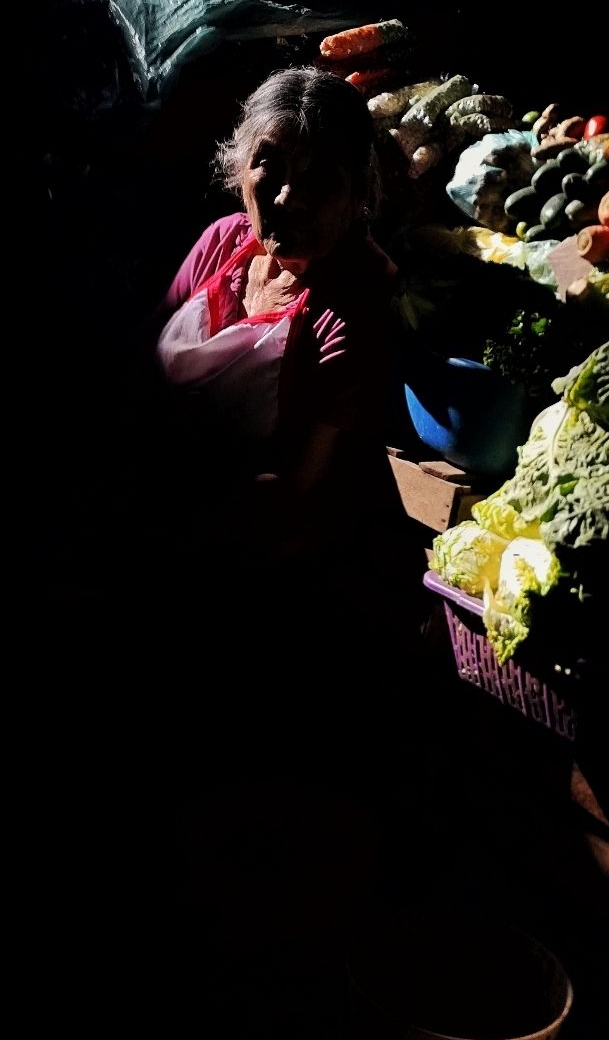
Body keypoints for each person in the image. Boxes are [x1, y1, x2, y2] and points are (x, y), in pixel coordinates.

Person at [144, 66, 427, 710]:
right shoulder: (221, 244)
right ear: (240, 169)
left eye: (322, 175)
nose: (290, 195)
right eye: (269, 164)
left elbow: (294, 495)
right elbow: (139, 369)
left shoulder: (347, 315)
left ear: (359, 193)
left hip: (248, 573)